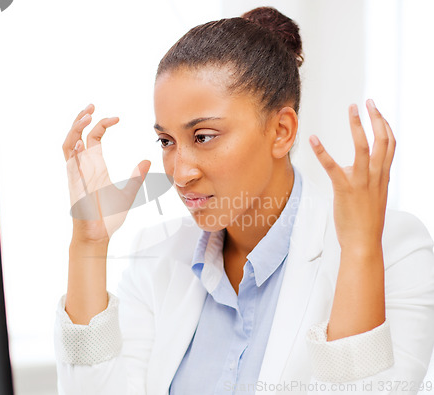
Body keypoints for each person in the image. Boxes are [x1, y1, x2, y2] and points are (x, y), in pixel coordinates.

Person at [55, 6, 434, 395]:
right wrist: (89, 243)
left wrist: (357, 252)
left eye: (203, 136)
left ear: (281, 131)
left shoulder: (391, 251)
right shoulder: (158, 259)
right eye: (166, 141)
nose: (180, 172)